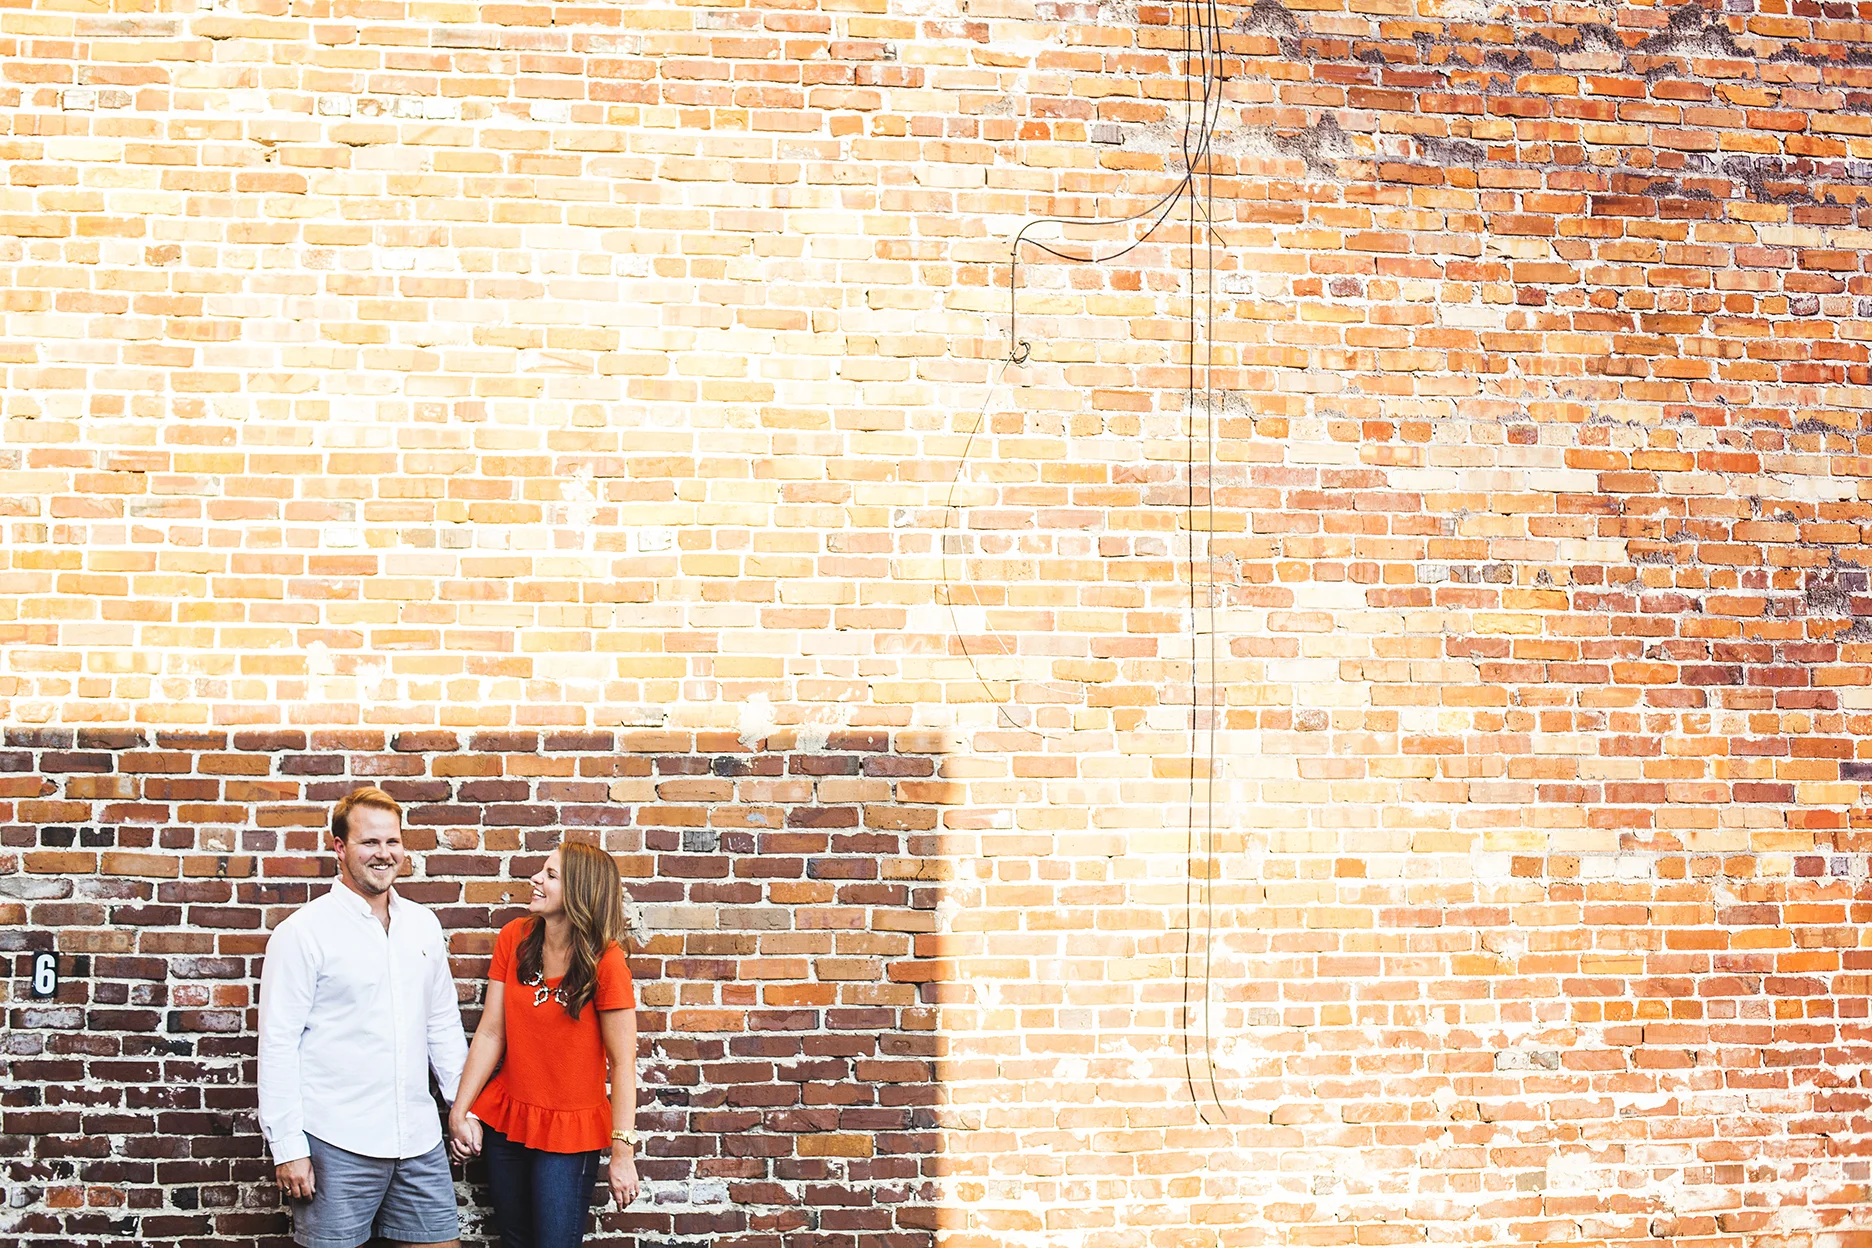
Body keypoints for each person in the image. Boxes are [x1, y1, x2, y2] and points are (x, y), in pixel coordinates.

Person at [257, 785, 470, 1248]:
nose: (383, 853)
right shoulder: (302, 933)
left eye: (392, 841)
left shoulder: (422, 924)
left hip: (418, 1137)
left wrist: (461, 1107)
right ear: (339, 847)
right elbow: (277, 1044)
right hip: (336, 1141)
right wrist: (288, 1148)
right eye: (369, 842)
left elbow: (441, 1024)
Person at [448, 840, 641, 1248]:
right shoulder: (514, 938)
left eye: (550, 875)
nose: (535, 879)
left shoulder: (607, 963)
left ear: (579, 894)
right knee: (515, 1242)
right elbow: (490, 1033)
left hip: (569, 1135)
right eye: (542, 870)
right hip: (509, 1123)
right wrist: (460, 1110)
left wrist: (623, 1153)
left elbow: (623, 1064)